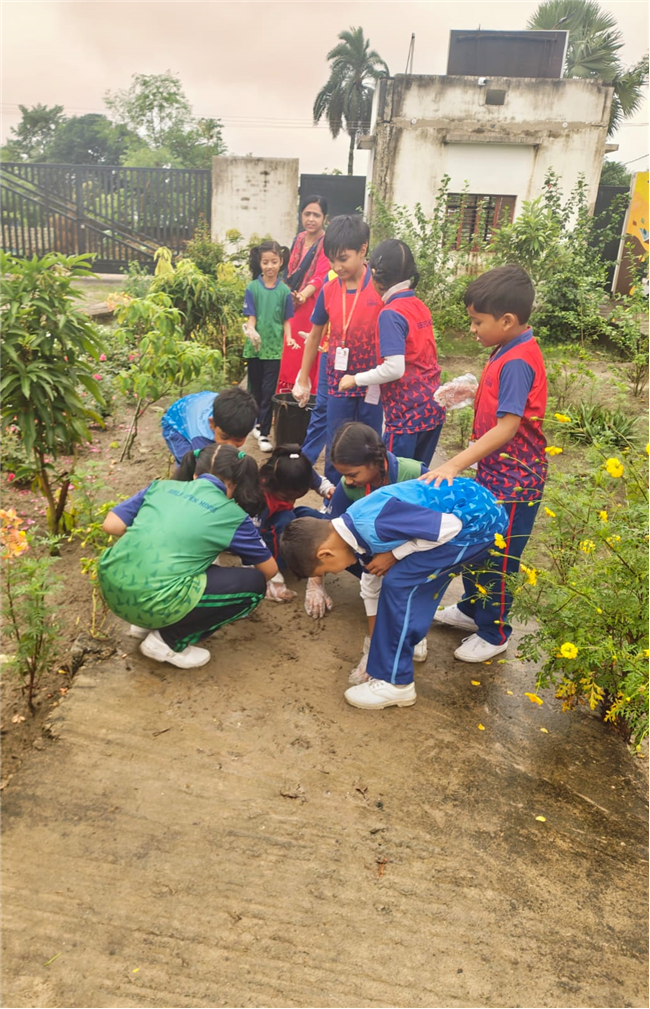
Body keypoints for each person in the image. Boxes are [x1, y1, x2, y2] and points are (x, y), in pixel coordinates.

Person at [280, 478, 508, 710]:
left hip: (479, 523)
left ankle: (396, 683)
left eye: (327, 571)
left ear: (325, 554)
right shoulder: (353, 527)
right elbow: (370, 583)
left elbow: (449, 528)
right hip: (474, 512)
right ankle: (410, 643)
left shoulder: (375, 524)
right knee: (404, 576)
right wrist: (372, 649)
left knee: (399, 583)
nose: (335, 572)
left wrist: (396, 554)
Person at [422, 264, 547, 663]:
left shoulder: (516, 361)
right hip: (498, 475)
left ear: (507, 320)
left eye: (477, 322)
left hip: (515, 482)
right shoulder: (508, 348)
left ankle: (494, 633)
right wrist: (474, 388)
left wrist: (454, 463)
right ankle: (472, 609)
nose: (472, 329)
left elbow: (508, 427)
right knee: (480, 540)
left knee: (500, 554)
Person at [98, 445, 278, 669]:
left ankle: (143, 624)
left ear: (195, 473)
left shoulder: (160, 487)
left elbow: (111, 525)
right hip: (152, 601)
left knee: (189, 563)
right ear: (235, 484)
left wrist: (162, 538)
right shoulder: (232, 515)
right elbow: (269, 571)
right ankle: (168, 640)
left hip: (112, 589)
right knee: (253, 585)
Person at [323, 422, 430, 677]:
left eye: (352, 474)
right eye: (344, 475)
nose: (347, 481)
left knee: (399, 582)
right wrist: (316, 582)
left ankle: (414, 627)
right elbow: (330, 532)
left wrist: (394, 555)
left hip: (420, 549)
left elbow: (438, 530)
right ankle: (386, 631)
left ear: (377, 460)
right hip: (375, 556)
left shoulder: (414, 474)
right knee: (366, 575)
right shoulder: (349, 486)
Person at [338, 239, 445, 466]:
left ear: (376, 276)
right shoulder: (418, 305)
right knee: (418, 479)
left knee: (395, 481)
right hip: (432, 410)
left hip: (407, 417)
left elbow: (395, 369)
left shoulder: (391, 313)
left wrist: (355, 379)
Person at [292, 215, 383, 483]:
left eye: (343, 258)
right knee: (337, 438)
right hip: (336, 379)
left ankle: (369, 492)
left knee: (370, 439)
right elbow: (314, 335)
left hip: (372, 381)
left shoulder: (379, 289)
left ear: (363, 249)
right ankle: (334, 494)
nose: (337, 266)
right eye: (332, 259)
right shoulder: (329, 290)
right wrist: (303, 376)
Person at [276, 195, 330, 395]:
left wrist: (302, 296)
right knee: (288, 352)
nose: (311, 219)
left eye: (316, 215)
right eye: (307, 214)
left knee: (304, 352)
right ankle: (284, 398)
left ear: (324, 218)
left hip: (312, 305)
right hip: (292, 303)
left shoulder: (326, 243)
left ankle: (305, 395)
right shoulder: (298, 239)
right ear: (301, 215)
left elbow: (320, 276)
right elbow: (289, 272)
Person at [243, 240, 293, 453]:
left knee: (268, 391)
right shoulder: (252, 288)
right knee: (254, 390)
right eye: (265, 262)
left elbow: (286, 320)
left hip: (274, 350)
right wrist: (251, 330)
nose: (270, 266)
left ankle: (264, 433)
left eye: (274, 261)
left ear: (281, 262)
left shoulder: (285, 292)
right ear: (260, 263)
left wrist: (289, 338)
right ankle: (255, 424)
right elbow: (251, 317)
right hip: (254, 348)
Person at [161, 388, 258, 465]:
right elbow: (204, 466)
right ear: (212, 424)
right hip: (176, 425)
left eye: (238, 440)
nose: (230, 445)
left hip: (199, 404)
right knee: (189, 463)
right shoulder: (200, 436)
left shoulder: (249, 418)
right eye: (224, 437)